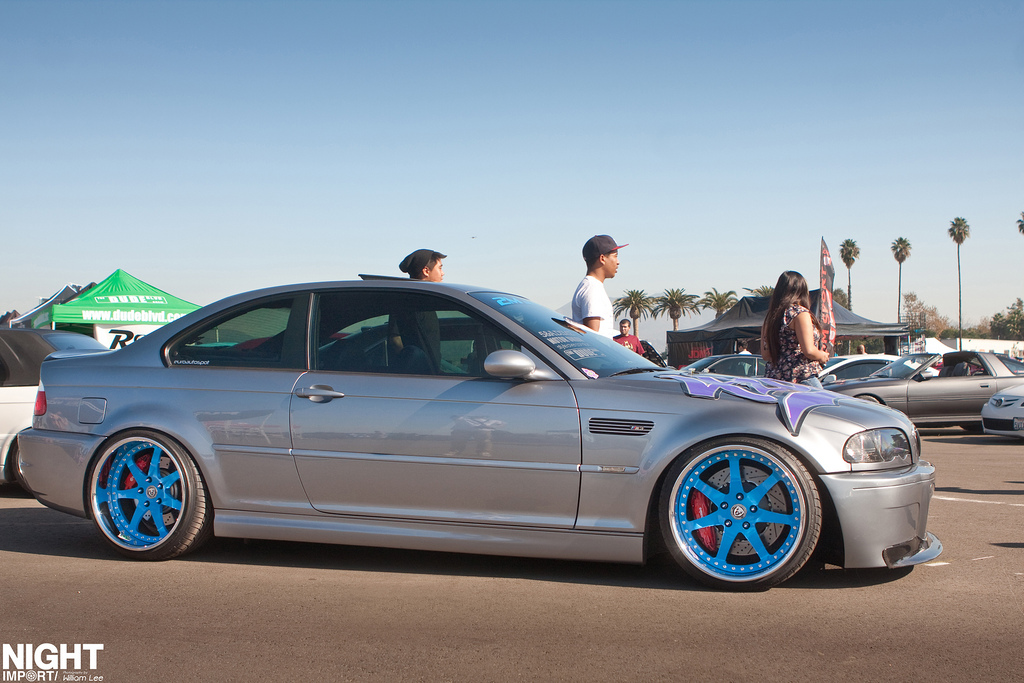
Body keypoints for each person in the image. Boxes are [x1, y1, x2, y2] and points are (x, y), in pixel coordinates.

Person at [760, 271, 829, 388]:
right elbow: (809, 351)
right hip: (801, 377)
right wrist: (822, 356)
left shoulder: (771, 318)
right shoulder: (800, 313)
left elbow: (766, 355)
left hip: (774, 380)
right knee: (822, 400)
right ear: (802, 290)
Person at [571, 235, 627, 338]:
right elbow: (592, 337)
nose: (618, 262)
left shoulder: (592, 286)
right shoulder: (592, 289)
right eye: (615, 256)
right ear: (602, 258)